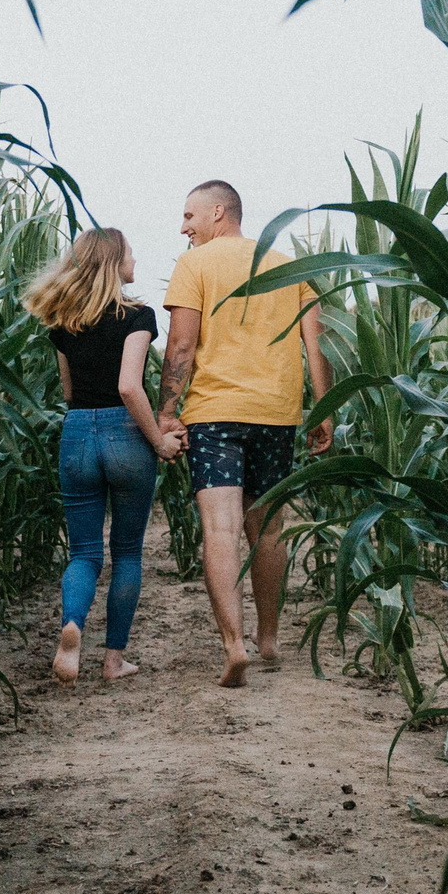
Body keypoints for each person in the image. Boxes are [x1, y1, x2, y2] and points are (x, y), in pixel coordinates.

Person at [157, 180, 334, 687]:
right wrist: (323, 409)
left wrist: (168, 411)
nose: (184, 227)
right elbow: (314, 343)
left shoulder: (195, 265)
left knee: (220, 530)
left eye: (189, 216)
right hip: (276, 414)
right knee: (269, 530)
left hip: (215, 414)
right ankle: (269, 637)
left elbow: (182, 348)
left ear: (218, 212)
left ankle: (233, 646)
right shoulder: (288, 267)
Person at [22, 228, 183, 685]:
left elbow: (70, 392)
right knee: (128, 551)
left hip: (77, 433)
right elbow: (130, 386)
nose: (136, 258)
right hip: (125, 434)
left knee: (84, 553)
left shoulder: (62, 323)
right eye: (130, 252)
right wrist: (158, 441)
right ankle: (113, 661)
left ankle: (72, 627)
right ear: (115, 263)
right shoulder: (138, 316)